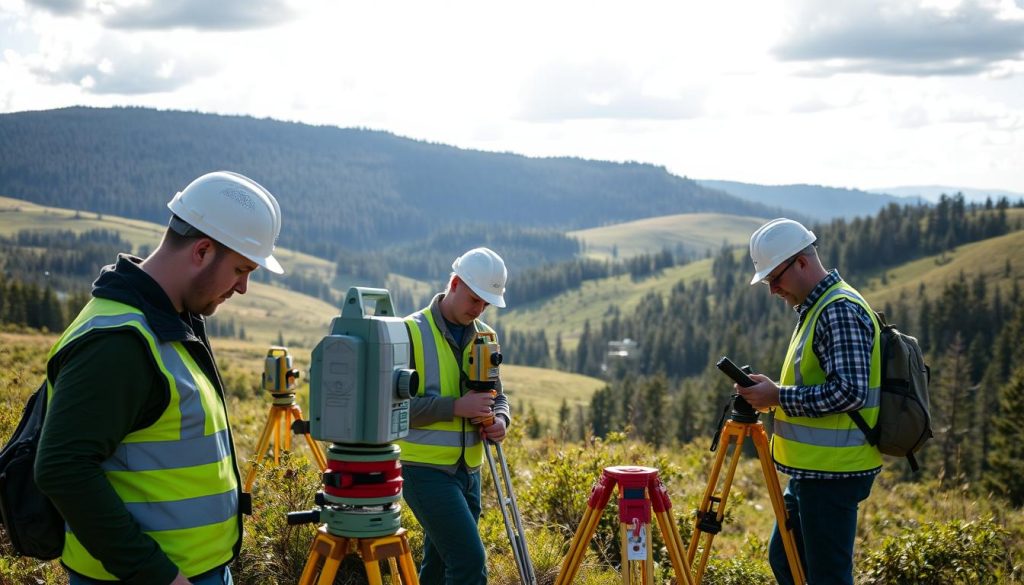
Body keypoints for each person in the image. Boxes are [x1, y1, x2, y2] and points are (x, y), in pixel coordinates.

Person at [35, 171, 285, 585]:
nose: (242, 287)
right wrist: (157, 575)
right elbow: (62, 469)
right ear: (202, 250)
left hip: (195, 571)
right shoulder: (118, 341)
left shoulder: (171, 319)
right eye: (241, 269)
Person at [736, 218, 881, 585]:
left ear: (801, 262)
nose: (772, 290)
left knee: (825, 577)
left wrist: (779, 396)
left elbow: (850, 391)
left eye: (775, 279)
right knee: (787, 562)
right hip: (813, 472)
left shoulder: (838, 310)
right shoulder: (817, 308)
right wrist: (773, 394)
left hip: (833, 473)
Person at [396, 247, 512, 585]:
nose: (479, 309)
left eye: (486, 304)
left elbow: (498, 396)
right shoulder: (409, 331)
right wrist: (455, 407)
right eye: (475, 299)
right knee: (468, 560)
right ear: (455, 283)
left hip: (469, 472)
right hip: (424, 470)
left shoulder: (486, 336)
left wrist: (501, 420)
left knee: (437, 564)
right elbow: (391, 409)